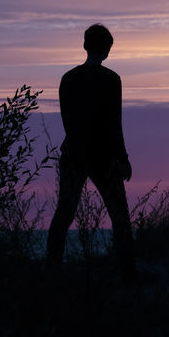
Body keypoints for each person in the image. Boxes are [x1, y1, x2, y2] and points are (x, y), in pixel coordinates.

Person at [46, 23, 136, 279]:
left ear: (85, 46)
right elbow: (114, 124)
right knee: (119, 214)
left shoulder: (68, 79)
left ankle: (52, 269)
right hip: (103, 157)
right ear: (107, 49)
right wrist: (123, 158)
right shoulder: (111, 80)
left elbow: (67, 120)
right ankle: (127, 273)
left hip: (73, 153)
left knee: (64, 213)